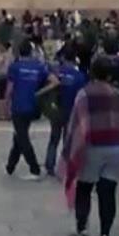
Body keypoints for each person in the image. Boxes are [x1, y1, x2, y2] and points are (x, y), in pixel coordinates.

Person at [61, 57, 119, 236]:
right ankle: (105, 235)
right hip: (117, 149)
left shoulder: (84, 94)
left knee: (84, 188)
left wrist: (71, 148)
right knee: (108, 191)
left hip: (92, 147)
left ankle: (82, 230)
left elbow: (77, 122)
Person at [5, 39, 54, 180]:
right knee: (19, 135)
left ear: (19, 52)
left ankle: (35, 168)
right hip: (33, 106)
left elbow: (9, 89)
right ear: (31, 52)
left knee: (22, 138)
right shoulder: (39, 67)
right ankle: (10, 166)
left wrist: (6, 106)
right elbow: (55, 81)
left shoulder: (15, 67)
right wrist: (39, 93)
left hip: (18, 106)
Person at [46, 47, 86, 177]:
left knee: (53, 139)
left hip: (56, 110)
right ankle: (65, 165)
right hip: (71, 111)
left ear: (63, 58)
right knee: (67, 140)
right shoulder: (80, 76)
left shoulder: (55, 73)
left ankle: (49, 165)